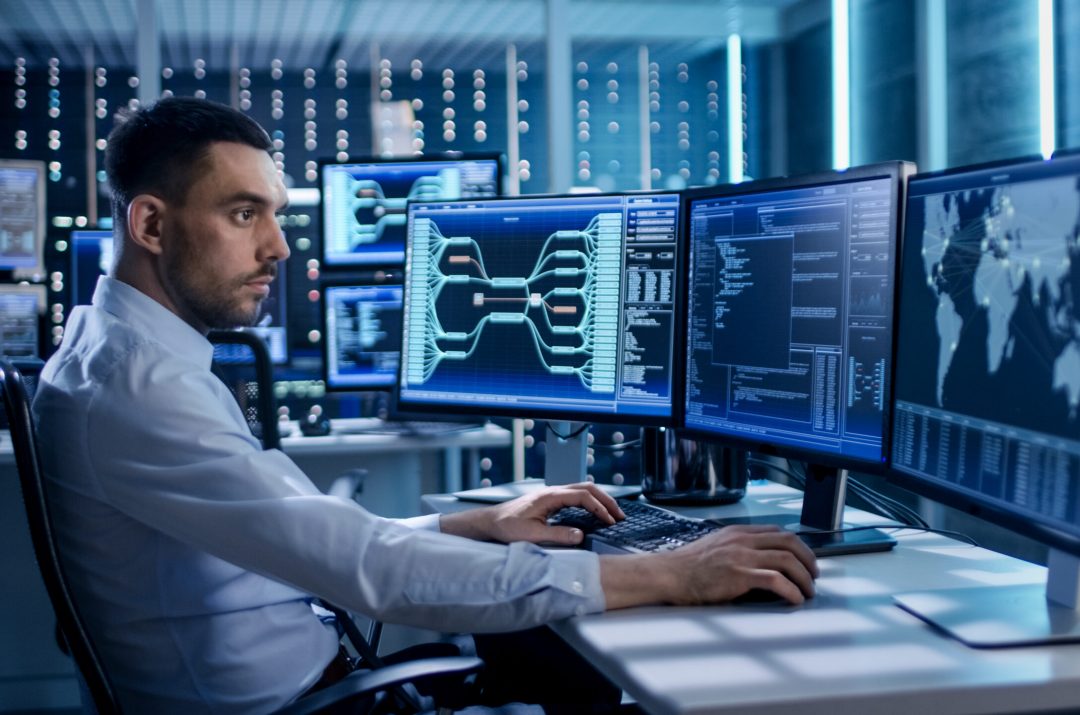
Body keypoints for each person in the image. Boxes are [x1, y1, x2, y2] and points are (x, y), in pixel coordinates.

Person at [33, 97, 817, 714]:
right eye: (245, 214)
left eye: (275, 214)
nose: (279, 245)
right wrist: (672, 573)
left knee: (558, 651)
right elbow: (365, 569)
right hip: (312, 703)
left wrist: (472, 522)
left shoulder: (117, 357)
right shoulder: (139, 392)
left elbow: (306, 540)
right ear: (151, 224)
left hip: (318, 680)